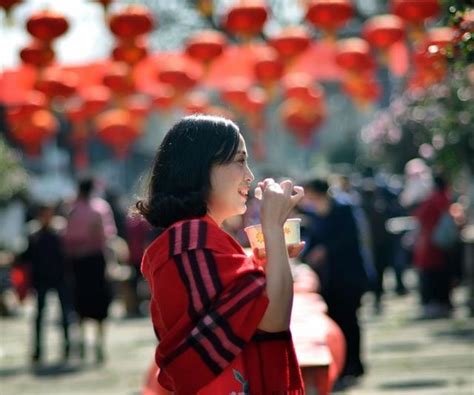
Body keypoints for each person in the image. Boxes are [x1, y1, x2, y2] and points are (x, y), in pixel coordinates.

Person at [135, 115, 305, 394]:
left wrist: (268, 259)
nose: (250, 175)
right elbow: (273, 318)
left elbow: (239, 303)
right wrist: (272, 228)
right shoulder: (191, 240)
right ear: (200, 168)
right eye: (239, 160)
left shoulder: (194, 237)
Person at [300, 178, 368, 382]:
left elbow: (349, 239)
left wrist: (325, 250)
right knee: (337, 320)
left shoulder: (343, 209)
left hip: (349, 275)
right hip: (329, 279)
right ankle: (343, 365)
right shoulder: (315, 215)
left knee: (350, 320)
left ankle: (354, 365)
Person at [64, 177, 117, 363]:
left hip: (78, 262)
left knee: (80, 303)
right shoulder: (100, 208)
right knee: (100, 304)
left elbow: (67, 240)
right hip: (97, 261)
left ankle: (81, 342)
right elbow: (108, 237)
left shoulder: (72, 211)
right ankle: (99, 344)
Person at [19, 204, 71, 364]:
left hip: (59, 278)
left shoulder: (61, 231)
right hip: (41, 279)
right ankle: (38, 350)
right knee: (39, 316)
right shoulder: (33, 234)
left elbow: (67, 254)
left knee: (65, 315)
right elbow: (27, 256)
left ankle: (67, 347)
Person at [413, 174, 453, 318]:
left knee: (431, 275)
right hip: (444, 244)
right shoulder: (447, 198)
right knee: (443, 274)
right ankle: (444, 302)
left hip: (429, 244)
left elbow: (419, 216)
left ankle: (433, 303)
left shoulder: (432, 199)